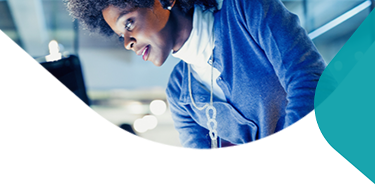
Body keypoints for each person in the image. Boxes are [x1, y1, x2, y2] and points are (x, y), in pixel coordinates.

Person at [65, 0, 326, 150]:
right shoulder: (179, 91)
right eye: (120, 35)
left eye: (129, 23)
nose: (127, 42)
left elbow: (307, 78)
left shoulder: (246, 11)